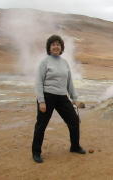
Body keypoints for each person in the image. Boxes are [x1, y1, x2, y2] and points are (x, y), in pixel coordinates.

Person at [32, 35, 86, 163]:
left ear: (61, 47)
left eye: (58, 44)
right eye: (53, 44)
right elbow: (38, 82)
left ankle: (75, 146)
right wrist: (41, 101)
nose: (56, 46)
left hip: (62, 97)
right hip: (47, 96)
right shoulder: (45, 62)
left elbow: (69, 82)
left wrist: (74, 98)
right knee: (41, 125)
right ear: (49, 48)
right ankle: (36, 152)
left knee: (73, 120)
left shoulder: (65, 62)